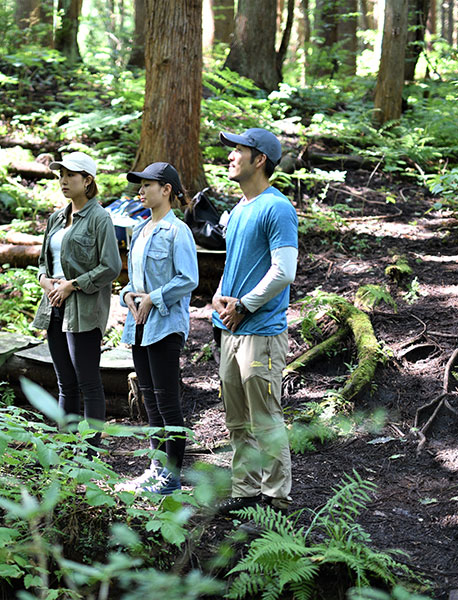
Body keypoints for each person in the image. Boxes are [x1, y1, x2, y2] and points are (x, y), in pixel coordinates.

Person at [211, 128, 298, 514]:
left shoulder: (276, 208)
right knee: (236, 420)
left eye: (239, 151)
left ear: (259, 159)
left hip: (261, 331)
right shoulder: (240, 209)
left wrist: (244, 305)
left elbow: (284, 271)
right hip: (231, 329)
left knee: (264, 417)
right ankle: (244, 492)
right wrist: (219, 293)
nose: (231, 156)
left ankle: (276, 498)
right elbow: (237, 265)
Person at [119, 163, 199, 494]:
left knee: (167, 401)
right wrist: (128, 296)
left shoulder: (179, 232)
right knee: (149, 399)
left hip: (165, 325)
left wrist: (153, 298)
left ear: (166, 189)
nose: (140, 191)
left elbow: (189, 278)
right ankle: (155, 468)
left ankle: (172, 476)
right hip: (138, 325)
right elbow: (131, 281)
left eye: (146, 185)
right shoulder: (139, 230)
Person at [32, 152, 122, 447]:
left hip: (83, 309)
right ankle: (65, 447)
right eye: (61, 175)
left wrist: (73, 285)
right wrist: (45, 281)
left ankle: (91, 449)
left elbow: (111, 266)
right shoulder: (56, 218)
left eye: (71, 175)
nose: (63, 181)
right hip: (53, 305)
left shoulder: (100, 218)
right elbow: (44, 263)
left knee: (88, 381)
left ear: (88, 180)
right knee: (65, 382)